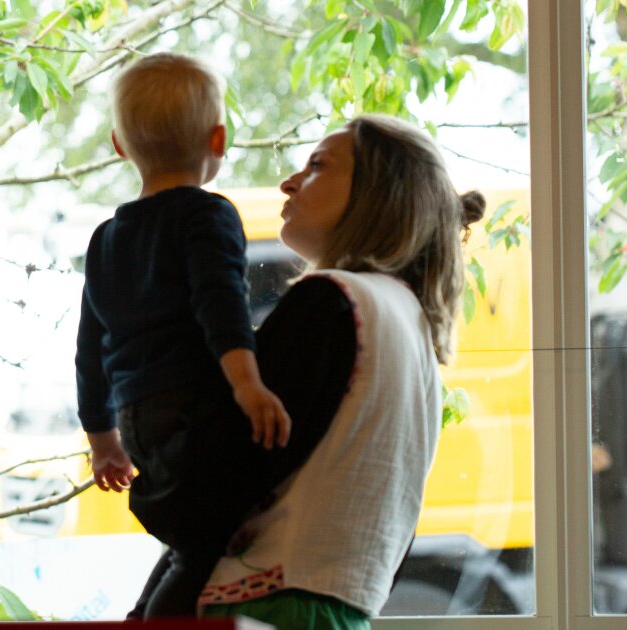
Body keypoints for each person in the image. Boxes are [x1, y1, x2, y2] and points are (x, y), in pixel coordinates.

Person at [197, 114, 487, 629]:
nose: (289, 183)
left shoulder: (331, 300)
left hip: (271, 606)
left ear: (378, 194)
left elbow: (229, 470)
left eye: (317, 166)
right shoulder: (407, 317)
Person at [74, 52, 292, 617]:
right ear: (218, 139)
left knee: (189, 539)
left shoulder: (106, 238)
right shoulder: (208, 215)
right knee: (208, 541)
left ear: (120, 146)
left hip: (136, 418)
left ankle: (145, 618)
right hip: (196, 408)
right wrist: (247, 383)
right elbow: (220, 305)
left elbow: (89, 349)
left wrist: (102, 439)